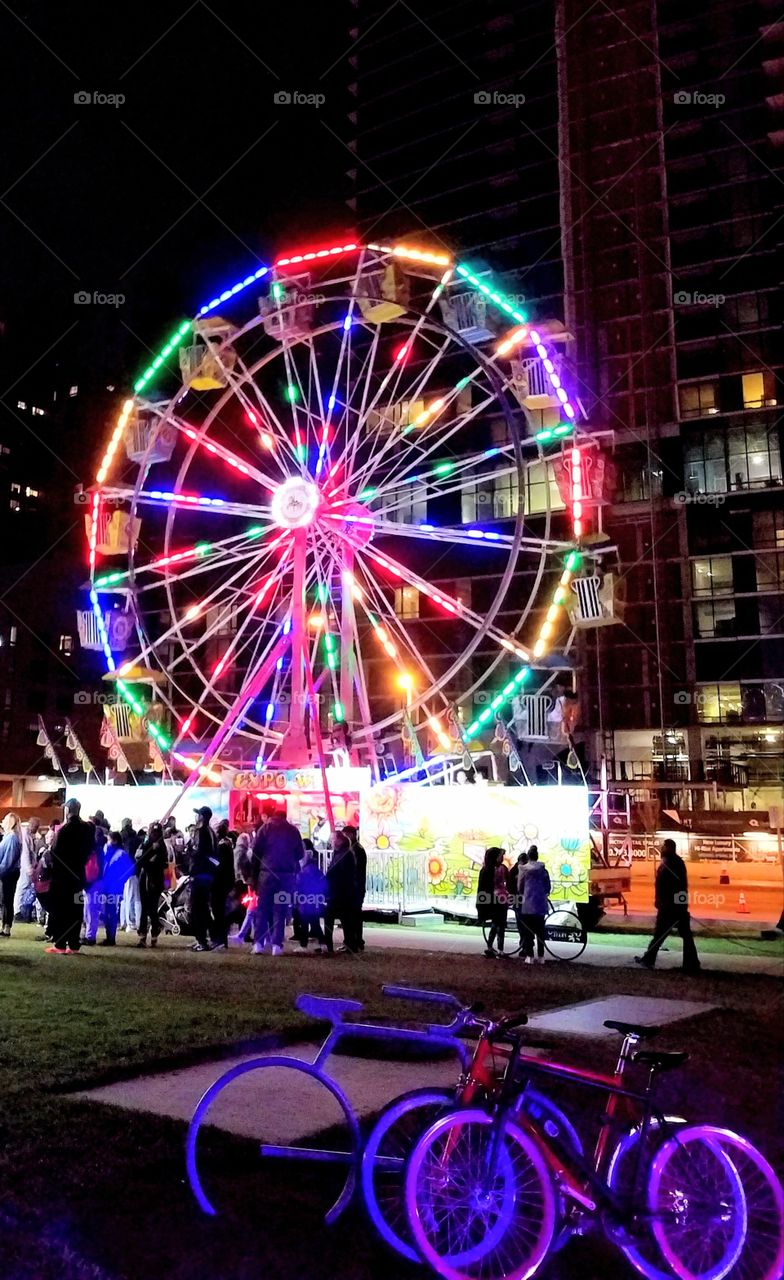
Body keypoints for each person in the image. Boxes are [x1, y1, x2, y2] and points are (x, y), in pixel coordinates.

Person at [635, 839, 701, 974]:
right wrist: (682, 905)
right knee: (684, 934)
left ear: (669, 848)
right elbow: (681, 886)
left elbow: (675, 886)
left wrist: (669, 903)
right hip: (675, 905)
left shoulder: (670, 864)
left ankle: (649, 959)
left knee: (661, 933)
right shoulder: (675, 862)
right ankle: (691, 963)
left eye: (664, 846)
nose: (662, 849)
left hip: (669, 907)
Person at [251, 801, 304, 956]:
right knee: (280, 910)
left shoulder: (265, 828)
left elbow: (255, 852)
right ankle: (276, 945)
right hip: (285, 876)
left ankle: (259, 944)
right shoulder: (293, 830)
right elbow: (300, 853)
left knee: (262, 910)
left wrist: (254, 876)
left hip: (266, 875)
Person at [45, 799, 95, 954]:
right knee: (76, 909)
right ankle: (73, 944)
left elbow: (55, 853)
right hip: (79, 874)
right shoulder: (87, 829)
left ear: (67, 810)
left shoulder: (65, 830)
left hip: (63, 876)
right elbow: (90, 849)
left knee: (61, 909)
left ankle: (60, 944)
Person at [189, 806, 220, 952]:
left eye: (198, 815)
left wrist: (190, 852)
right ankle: (206, 938)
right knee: (203, 908)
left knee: (197, 909)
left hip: (200, 873)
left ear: (202, 817)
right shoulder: (211, 832)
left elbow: (198, 852)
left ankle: (202, 940)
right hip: (208, 874)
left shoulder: (201, 832)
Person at [324, 831, 360, 955]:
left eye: (333, 839)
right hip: (338, 892)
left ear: (339, 841)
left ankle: (330, 945)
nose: (331, 842)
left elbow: (344, 875)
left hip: (340, 893)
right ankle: (348, 944)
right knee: (344, 919)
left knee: (335, 918)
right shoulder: (340, 854)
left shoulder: (345, 855)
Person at [97, 832, 134, 945]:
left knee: (111, 912)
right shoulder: (108, 853)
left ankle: (111, 937)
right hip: (106, 886)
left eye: (109, 840)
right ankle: (109, 936)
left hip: (113, 887)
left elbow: (129, 870)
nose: (108, 842)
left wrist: (120, 880)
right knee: (106, 911)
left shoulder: (121, 854)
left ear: (115, 841)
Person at [516, 845, 551, 964]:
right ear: (537, 856)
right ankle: (541, 956)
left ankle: (530, 956)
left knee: (527, 930)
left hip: (528, 902)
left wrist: (524, 893)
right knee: (540, 930)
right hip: (540, 903)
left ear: (528, 856)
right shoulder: (543, 870)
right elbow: (548, 886)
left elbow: (520, 886)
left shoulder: (523, 869)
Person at [135, 821, 168, 947]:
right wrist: (148, 855)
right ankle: (142, 936)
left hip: (155, 878)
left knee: (153, 908)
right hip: (145, 877)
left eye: (156, 832)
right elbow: (139, 859)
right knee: (144, 907)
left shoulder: (162, 846)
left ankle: (154, 933)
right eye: (153, 832)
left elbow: (162, 862)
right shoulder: (146, 843)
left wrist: (150, 859)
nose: (154, 834)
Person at [293, 844, 328, 953]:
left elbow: (299, 885)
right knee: (315, 923)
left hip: (305, 901)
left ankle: (303, 945)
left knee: (304, 924)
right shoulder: (315, 869)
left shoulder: (303, 871)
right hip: (315, 900)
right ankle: (323, 944)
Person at [477, 846, 509, 958]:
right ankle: (498, 949)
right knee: (499, 925)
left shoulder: (491, 869)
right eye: (501, 856)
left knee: (497, 924)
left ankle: (493, 948)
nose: (502, 858)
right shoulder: (490, 870)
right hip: (497, 900)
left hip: (499, 899)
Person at [210, 819, 236, 951]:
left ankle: (219, 939)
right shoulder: (228, 844)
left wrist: (209, 859)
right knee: (221, 911)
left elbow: (218, 864)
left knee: (218, 911)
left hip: (220, 883)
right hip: (225, 882)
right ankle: (222, 939)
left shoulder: (222, 847)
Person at [13, 816, 43, 921]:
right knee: (22, 888)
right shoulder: (25, 835)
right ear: (32, 825)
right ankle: (17, 912)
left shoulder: (30, 835)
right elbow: (25, 853)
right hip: (24, 867)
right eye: (36, 826)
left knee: (24, 888)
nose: (36, 829)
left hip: (28, 866)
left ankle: (22, 911)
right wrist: (29, 868)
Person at [343, 824, 367, 950]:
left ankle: (354, 941)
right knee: (354, 915)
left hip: (356, 886)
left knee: (353, 915)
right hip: (356, 885)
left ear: (352, 835)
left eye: (345, 835)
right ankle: (355, 941)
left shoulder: (355, 849)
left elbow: (355, 869)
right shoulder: (355, 848)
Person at [0, 814, 22, 937]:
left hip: (8, 873)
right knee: (5, 900)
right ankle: (4, 925)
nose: (2, 821)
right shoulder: (8, 837)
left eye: (5, 819)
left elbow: (8, 861)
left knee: (7, 899)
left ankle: (7, 926)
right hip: (7, 872)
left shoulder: (12, 838)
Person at [120, 819, 141, 932]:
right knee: (135, 897)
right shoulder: (137, 838)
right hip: (135, 870)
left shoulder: (124, 838)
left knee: (127, 897)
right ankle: (135, 921)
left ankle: (129, 923)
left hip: (126, 871)